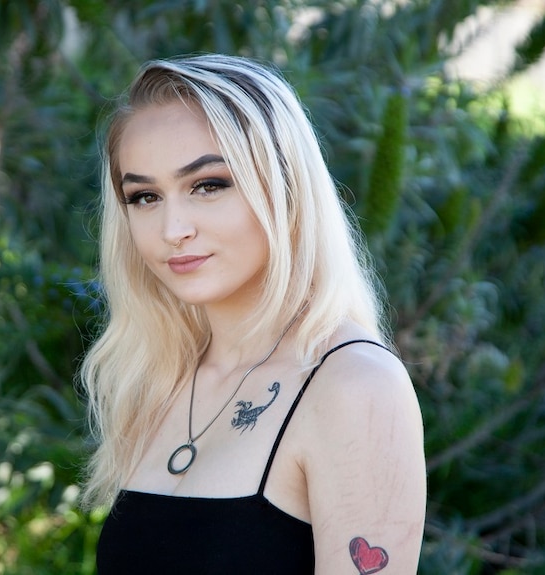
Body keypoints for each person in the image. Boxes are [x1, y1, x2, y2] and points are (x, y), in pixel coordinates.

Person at [79, 53, 426, 574]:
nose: (173, 228)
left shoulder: (354, 386)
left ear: (286, 190)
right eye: (145, 196)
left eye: (208, 185)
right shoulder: (161, 379)